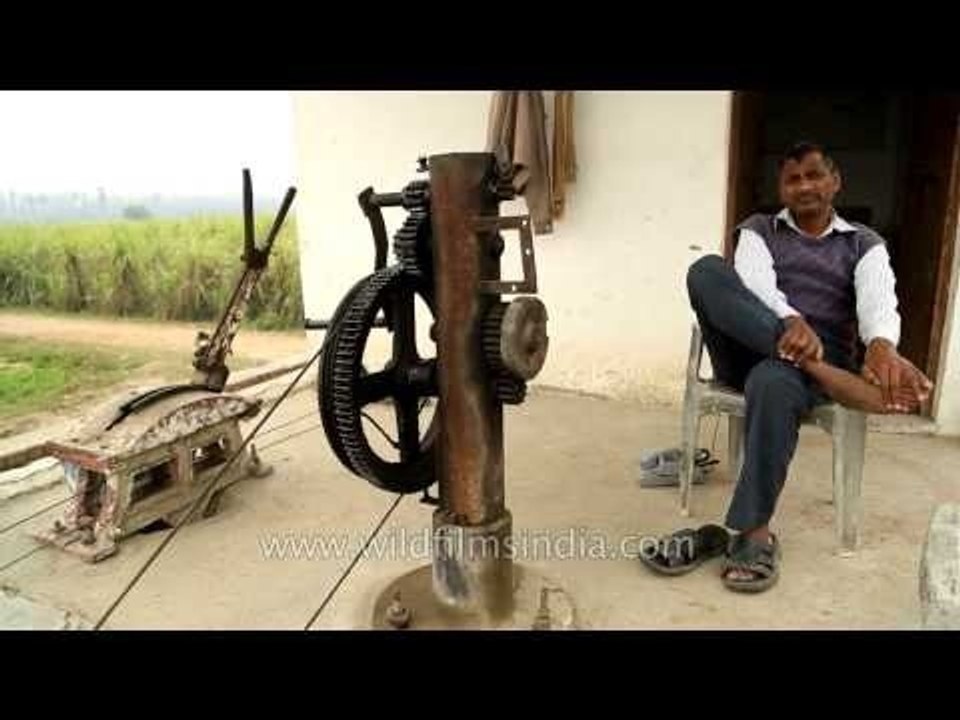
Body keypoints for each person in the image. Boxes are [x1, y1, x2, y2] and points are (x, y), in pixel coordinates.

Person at [644, 141, 933, 592]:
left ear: (835, 182)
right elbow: (755, 282)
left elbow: (879, 299)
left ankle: (752, 532)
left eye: (815, 175)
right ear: (781, 188)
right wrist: (792, 322)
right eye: (793, 179)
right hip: (746, 347)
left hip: (785, 376)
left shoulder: (863, 243)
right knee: (705, 270)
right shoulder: (758, 229)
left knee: (774, 382)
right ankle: (822, 371)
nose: (805, 186)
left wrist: (881, 346)